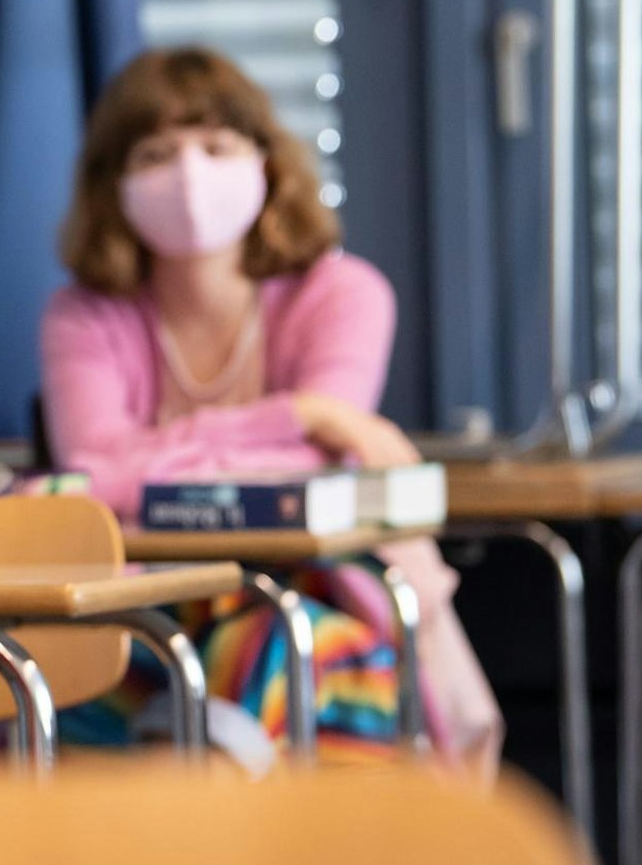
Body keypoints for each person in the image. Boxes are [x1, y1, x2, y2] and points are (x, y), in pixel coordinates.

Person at [41, 46, 500, 771]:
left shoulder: (344, 296)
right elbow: (92, 467)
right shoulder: (83, 316)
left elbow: (312, 476)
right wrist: (298, 414)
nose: (189, 173)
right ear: (113, 184)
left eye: (216, 146)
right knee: (94, 679)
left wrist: (153, 460)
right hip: (149, 604)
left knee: (265, 655)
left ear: (266, 162)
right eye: (157, 152)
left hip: (332, 600)